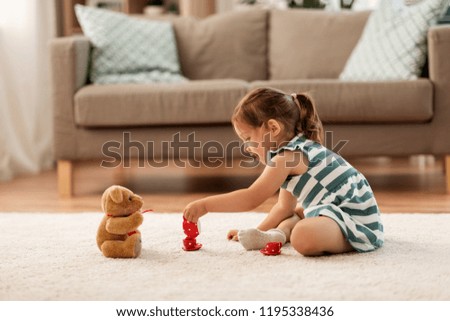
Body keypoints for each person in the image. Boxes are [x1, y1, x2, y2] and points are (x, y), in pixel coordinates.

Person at [183, 87, 384, 256]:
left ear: (272, 128)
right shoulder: (295, 151)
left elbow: (251, 197)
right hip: (333, 210)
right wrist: (258, 231)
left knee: (302, 236)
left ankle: (353, 239)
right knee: (296, 213)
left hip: (356, 218)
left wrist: (205, 205)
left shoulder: (286, 158)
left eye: (247, 138)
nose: (247, 146)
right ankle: (275, 234)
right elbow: (283, 208)